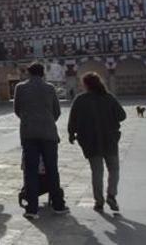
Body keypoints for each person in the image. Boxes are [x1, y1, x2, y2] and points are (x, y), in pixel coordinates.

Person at [14, 61, 69, 219]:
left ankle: (32, 208)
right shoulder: (50, 88)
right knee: (52, 168)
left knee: (30, 171)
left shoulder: (20, 88)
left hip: (28, 134)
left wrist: (28, 120)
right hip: (48, 133)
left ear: (29, 73)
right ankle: (58, 205)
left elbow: (17, 110)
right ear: (43, 73)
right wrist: (47, 121)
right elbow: (57, 111)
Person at [67, 72, 126, 214]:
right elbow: (122, 115)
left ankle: (99, 202)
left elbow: (72, 120)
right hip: (109, 139)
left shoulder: (80, 100)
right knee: (114, 169)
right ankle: (111, 195)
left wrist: (71, 134)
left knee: (97, 172)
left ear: (86, 84)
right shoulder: (108, 97)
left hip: (90, 141)